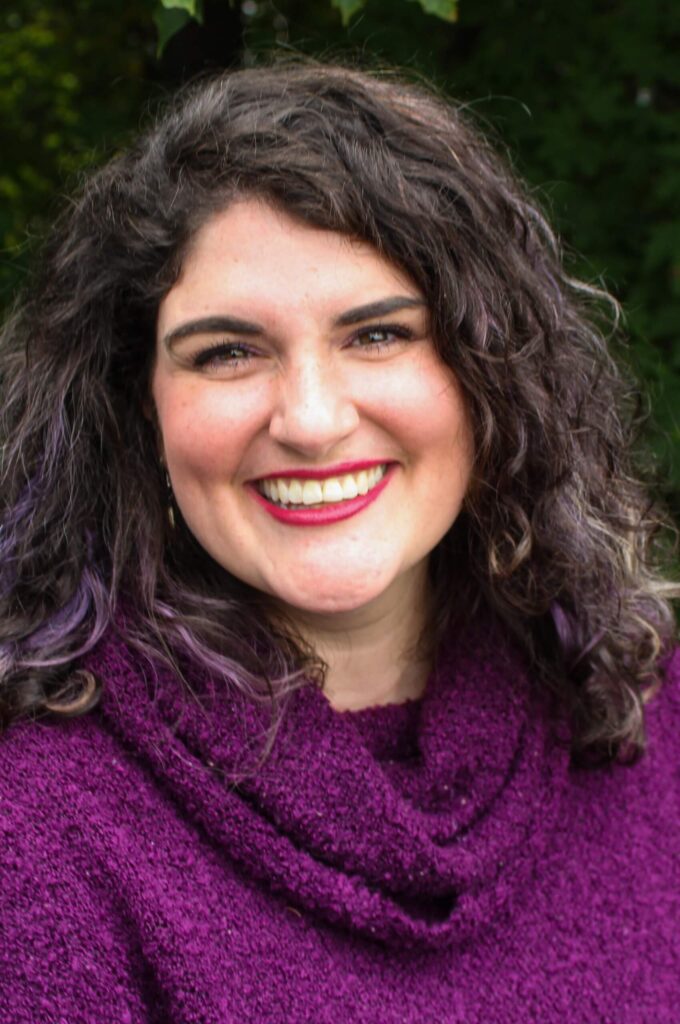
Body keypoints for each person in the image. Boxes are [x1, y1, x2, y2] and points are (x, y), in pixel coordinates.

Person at [0, 61, 678, 1023]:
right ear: (135, 407)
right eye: (229, 352)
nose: (312, 422)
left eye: (378, 336)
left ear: (494, 372)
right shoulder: (38, 830)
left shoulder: (640, 707)